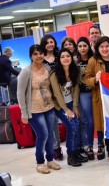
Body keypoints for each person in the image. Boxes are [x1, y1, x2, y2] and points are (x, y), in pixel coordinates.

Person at [17, 44, 61, 174]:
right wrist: (23, 112)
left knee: (50, 134)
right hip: (34, 109)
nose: (39, 56)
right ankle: (40, 162)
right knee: (43, 134)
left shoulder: (47, 68)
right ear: (31, 56)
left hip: (49, 106)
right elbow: (20, 93)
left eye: (41, 53)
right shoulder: (26, 72)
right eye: (35, 54)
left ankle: (50, 160)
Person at [50, 48, 88, 167]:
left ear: (72, 58)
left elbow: (76, 90)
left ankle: (75, 152)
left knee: (76, 125)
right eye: (62, 56)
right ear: (59, 59)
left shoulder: (74, 71)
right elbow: (57, 94)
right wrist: (66, 110)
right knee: (73, 126)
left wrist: (75, 107)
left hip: (71, 103)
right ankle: (71, 155)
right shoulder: (54, 74)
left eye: (68, 56)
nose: (65, 58)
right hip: (59, 106)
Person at [40, 34, 64, 161]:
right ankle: (56, 148)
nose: (50, 44)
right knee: (53, 122)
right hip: (48, 95)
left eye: (52, 42)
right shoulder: (41, 58)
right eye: (47, 42)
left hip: (64, 92)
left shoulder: (60, 55)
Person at [75, 37, 95, 160]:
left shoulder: (94, 59)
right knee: (87, 120)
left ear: (88, 46)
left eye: (85, 45)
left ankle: (101, 144)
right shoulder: (74, 61)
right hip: (83, 93)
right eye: (80, 46)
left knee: (97, 119)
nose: (82, 48)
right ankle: (88, 145)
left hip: (95, 91)